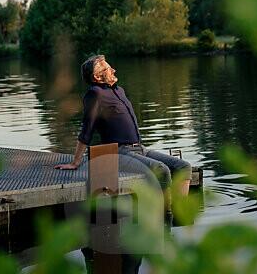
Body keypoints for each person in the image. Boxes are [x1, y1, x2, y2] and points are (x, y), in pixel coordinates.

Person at [55, 54, 192, 210]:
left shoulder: (119, 91)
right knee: (162, 170)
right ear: (97, 77)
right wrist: (75, 162)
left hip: (139, 149)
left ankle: (181, 214)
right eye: (108, 69)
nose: (114, 70)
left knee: (183, 166)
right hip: (118, 152)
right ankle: (166, 219)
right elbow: (87, 130)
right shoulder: (95, 94)